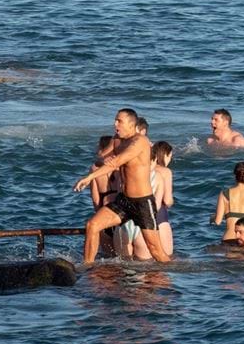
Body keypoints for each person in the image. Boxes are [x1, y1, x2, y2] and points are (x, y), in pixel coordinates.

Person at [73, 108, 171, 264]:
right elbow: (102, 159)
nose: (115, 123)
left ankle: (173, 277)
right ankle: (87, 266)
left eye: (119, 121)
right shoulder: (116, 140)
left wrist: (90, 177)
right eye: (115, 120)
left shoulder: (140, 142)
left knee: (156, 251)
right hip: (123, 201)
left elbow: (116, 162)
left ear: (131, 124)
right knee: (92, 225)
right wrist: (97, 166)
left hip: (142, 203)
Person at [151, 140, 175, 257]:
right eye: (170, 156)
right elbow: (167, 200)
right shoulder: (166, 171)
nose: (170, 160)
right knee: (165, 258)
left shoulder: (145, 169)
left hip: (140, 215)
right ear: (165, 155)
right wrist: (172, 202)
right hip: (160, 216)